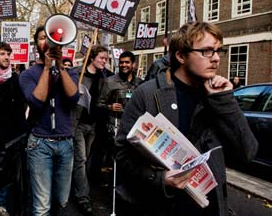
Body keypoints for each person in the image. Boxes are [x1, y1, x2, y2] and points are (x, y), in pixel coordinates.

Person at [115, 22, 258, 216]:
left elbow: (247, 152)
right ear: (181, 56)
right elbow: (122, 153)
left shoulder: (218, 96)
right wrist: (160, 179)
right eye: (206, 51)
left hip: (208, 206)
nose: (216, 59)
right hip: (160, 205)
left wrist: (225, 101)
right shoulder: (147, 94)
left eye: (218, 51)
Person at [19, 26, 79, 215]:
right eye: (43, 38)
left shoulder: (71, 72)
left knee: (61, 201)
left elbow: (74, 98)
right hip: (40, 143)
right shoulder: (27, 75)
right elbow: (37, 101)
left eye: (52, 38)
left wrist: (60, 67)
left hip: (66, 142)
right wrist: (46, 67)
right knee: (42, 204)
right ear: (36, 43)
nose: (48, 42)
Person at [0, 41, 28, 216]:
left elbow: (21, 106)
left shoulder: (15, 79)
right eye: (2, 54)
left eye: (8, 54)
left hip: (10, 136)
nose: (7, 57)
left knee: (5, 173)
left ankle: (0, 204)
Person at [72, 45, 113, 215]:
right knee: (80, 159)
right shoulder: (77, 74)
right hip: (78, 123)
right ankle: (83, 198)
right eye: (102, 58)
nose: (105, 61)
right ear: (92, 57)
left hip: (94, 125)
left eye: (106, 58)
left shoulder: (105, 77)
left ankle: (79, 188)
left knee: (86, 159)